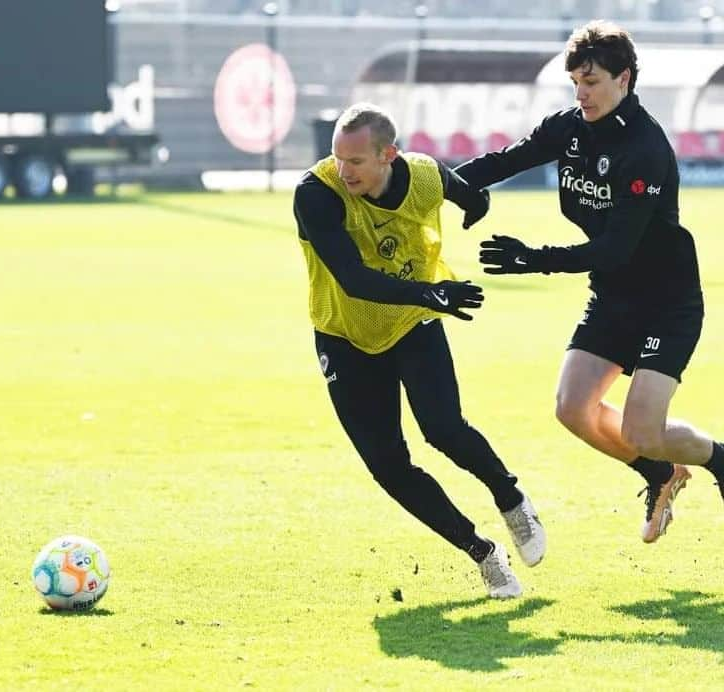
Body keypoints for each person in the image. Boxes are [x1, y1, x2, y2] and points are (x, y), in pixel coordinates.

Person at [455, 19, 724, 543]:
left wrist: (533, 259)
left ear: (624, 79)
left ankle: (719, 458)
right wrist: (435, 184)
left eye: (593, 81)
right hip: (613, 295)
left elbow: (616, 247)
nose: (582, 93)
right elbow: (507, 161)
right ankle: (659, 473)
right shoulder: (569, 127)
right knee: (572, 408)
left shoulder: (644, 148)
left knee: (641, 431)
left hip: (666, 302)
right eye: (576, 82)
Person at [293, 102, 546, 599]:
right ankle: (483, 554)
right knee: (388, 464)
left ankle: (512, 500)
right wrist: (431, 292)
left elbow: (467, 194)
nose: (344, 172)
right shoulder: (316, 194)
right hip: (345, 334)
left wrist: (476, 209)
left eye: (357, 162)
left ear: (389, 154)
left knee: (444, 428)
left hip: (412, 321)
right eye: (338, 159)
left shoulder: (425, 176)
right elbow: (353, 278)